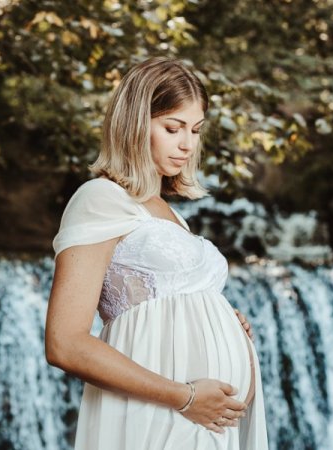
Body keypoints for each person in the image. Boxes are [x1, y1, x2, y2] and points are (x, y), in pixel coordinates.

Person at [44, 56, 269, 449]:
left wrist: (222, 321)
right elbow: (65, 342)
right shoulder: (99, 198)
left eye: (196, 130)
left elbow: (164, 301)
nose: (187, 144)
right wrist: (184, 397)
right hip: (163, 411)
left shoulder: (171, 214)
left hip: (208, 422)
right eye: (172, 128)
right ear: (134, 124)